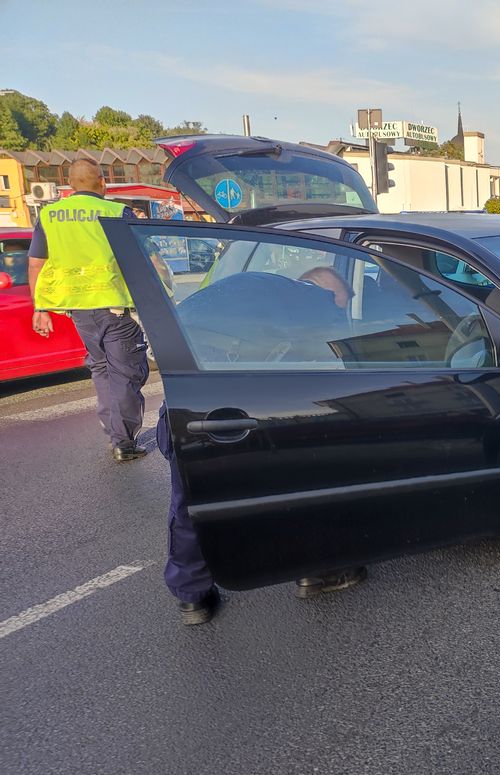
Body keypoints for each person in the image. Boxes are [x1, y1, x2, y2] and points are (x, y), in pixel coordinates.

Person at [159, 269, 367, 625]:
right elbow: (328, 366)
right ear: (326, 288)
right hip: (259, 404)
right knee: (302, 487)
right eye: (341, 303)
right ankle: (314, 571)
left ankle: (192, 598)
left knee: (191, 502)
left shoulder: (245, 288)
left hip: (193, 405)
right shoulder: (313, 302)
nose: (340, 312)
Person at [28, 159, 150, 462]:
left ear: (70, 185)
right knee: (125, 371)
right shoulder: (114, 212)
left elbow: (36, 264)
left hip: (78, 310)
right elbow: (138, 260)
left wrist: (39, 308)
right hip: (114, 307)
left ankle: (114, 432)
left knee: (101, 368)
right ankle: (124, 441)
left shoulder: (49, 215)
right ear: (102, 183)